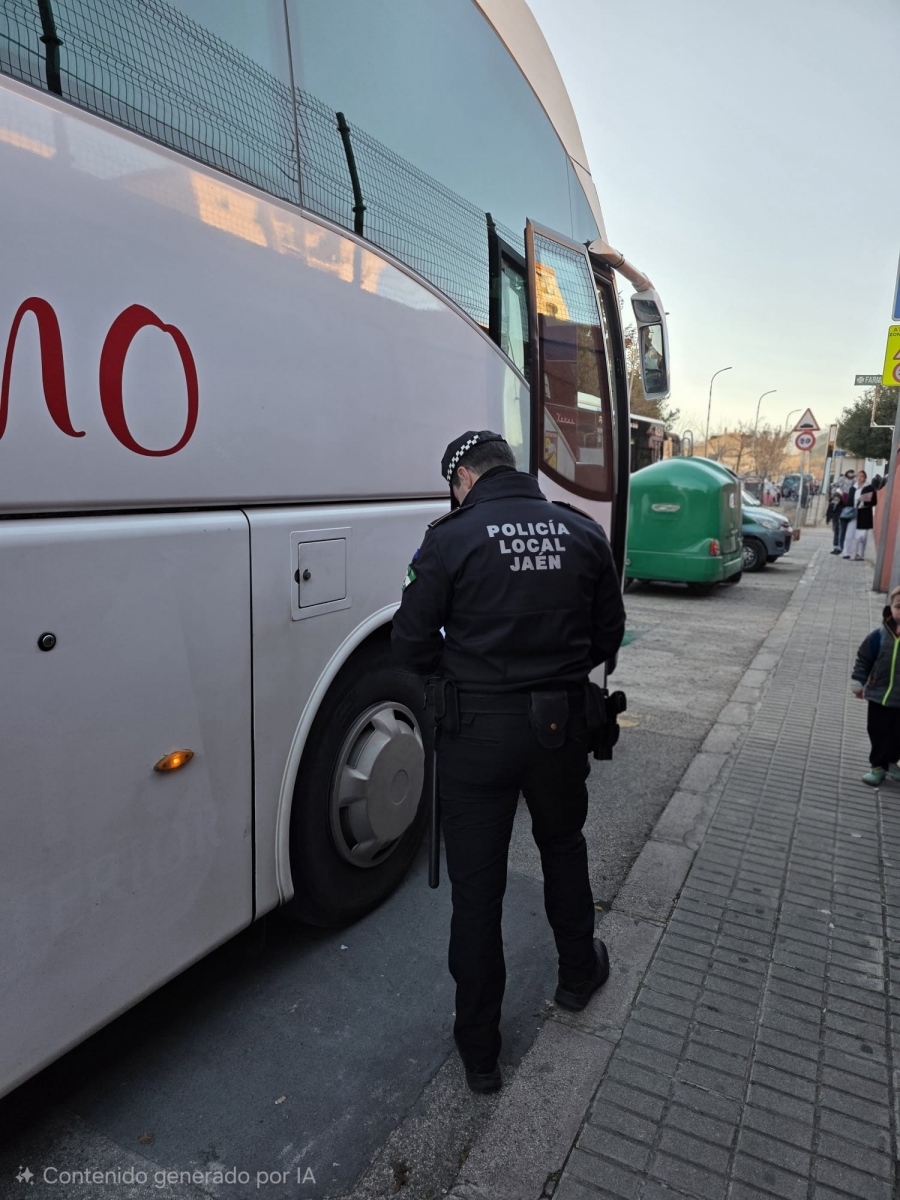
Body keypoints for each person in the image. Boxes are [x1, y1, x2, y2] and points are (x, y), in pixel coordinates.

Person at [391, 430, 625, 1093]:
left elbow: (408, 645)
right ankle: (579, 975)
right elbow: (608, 633)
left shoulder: (449, 538)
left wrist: (466, 676)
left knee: (478, 894)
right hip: (559, 726)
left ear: (463, 477)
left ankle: (481, 1052)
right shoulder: (579, 532)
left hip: (474, 735)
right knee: (562, 848)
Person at [851, 585, 900, 785]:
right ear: (891, 607)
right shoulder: (878, 635)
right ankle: (878, 766)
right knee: (878, 732)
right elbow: (864, 659)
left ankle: (892, 762)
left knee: (898, 734)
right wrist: (858, 680)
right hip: (879, 695)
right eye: (899, 606)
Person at [843, 470, 876, 560]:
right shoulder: (853, 488)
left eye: (862, 476)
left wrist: (864, 502)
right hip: (853, 512)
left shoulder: (869, 488)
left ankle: (859, 553)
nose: (859, 478)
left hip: (864, 513)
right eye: (858, 476)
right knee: (850, 533)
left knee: (862, 535)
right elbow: (849, 501)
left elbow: (874, 501)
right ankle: (848, 552)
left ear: (865, 478)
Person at [825, 486, 845, 554]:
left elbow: (830, 510)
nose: (836, 500)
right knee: (836, 532)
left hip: (838, 518)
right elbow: (830, 510)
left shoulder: (841, 502)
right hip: (835, 518)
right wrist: (828, 518)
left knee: (838, 532)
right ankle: (836, 547)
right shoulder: (833, 501)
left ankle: (839, 547)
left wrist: (828, 518)